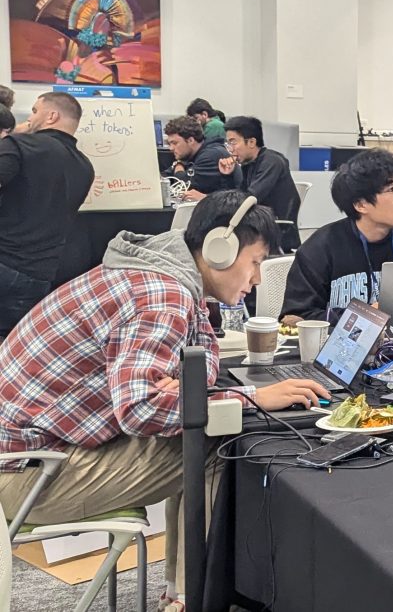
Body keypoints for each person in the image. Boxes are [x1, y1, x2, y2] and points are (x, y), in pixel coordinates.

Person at [0, 190, 330, 612]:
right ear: (220, 249)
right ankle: (196, 599)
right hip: (30, 478)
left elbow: (200, 365)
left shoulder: (159, 275)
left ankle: (182, 593)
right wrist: (253, 397)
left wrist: (187, 388)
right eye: (257, 261)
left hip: (38, 455)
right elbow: (140, 411)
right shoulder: (163, 296)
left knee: (195, 423)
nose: (259, 278)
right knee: (218, 444)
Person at [280, 148, 393, 325]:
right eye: (392, 189)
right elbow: (294, 318)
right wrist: (367, 315)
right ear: (361, 204)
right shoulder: (319, 249)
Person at [0, 92, 94, 340]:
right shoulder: (85, 167)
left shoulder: (20, 145)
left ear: (51, 115)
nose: (29, 118)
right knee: (13, 348)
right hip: (39, 274)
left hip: (4, 259)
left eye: (33, 111)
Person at [219, 115, 301, 252]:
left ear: (251, 142)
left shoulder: (272, 162)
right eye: (228, 144)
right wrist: (227, 175)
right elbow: (239, 194)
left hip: (274, 230)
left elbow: (250, 198)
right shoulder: (248, 163)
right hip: (257, 222)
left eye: (233, 142)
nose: (230, 149)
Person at [163, 115, 241, 200]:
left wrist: (178, 165)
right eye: (169, 144)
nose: (171, 148)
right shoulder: (191, 155)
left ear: (190, 140)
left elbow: (182, 186)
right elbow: (165, 177)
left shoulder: (211, 155)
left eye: (174, 143)